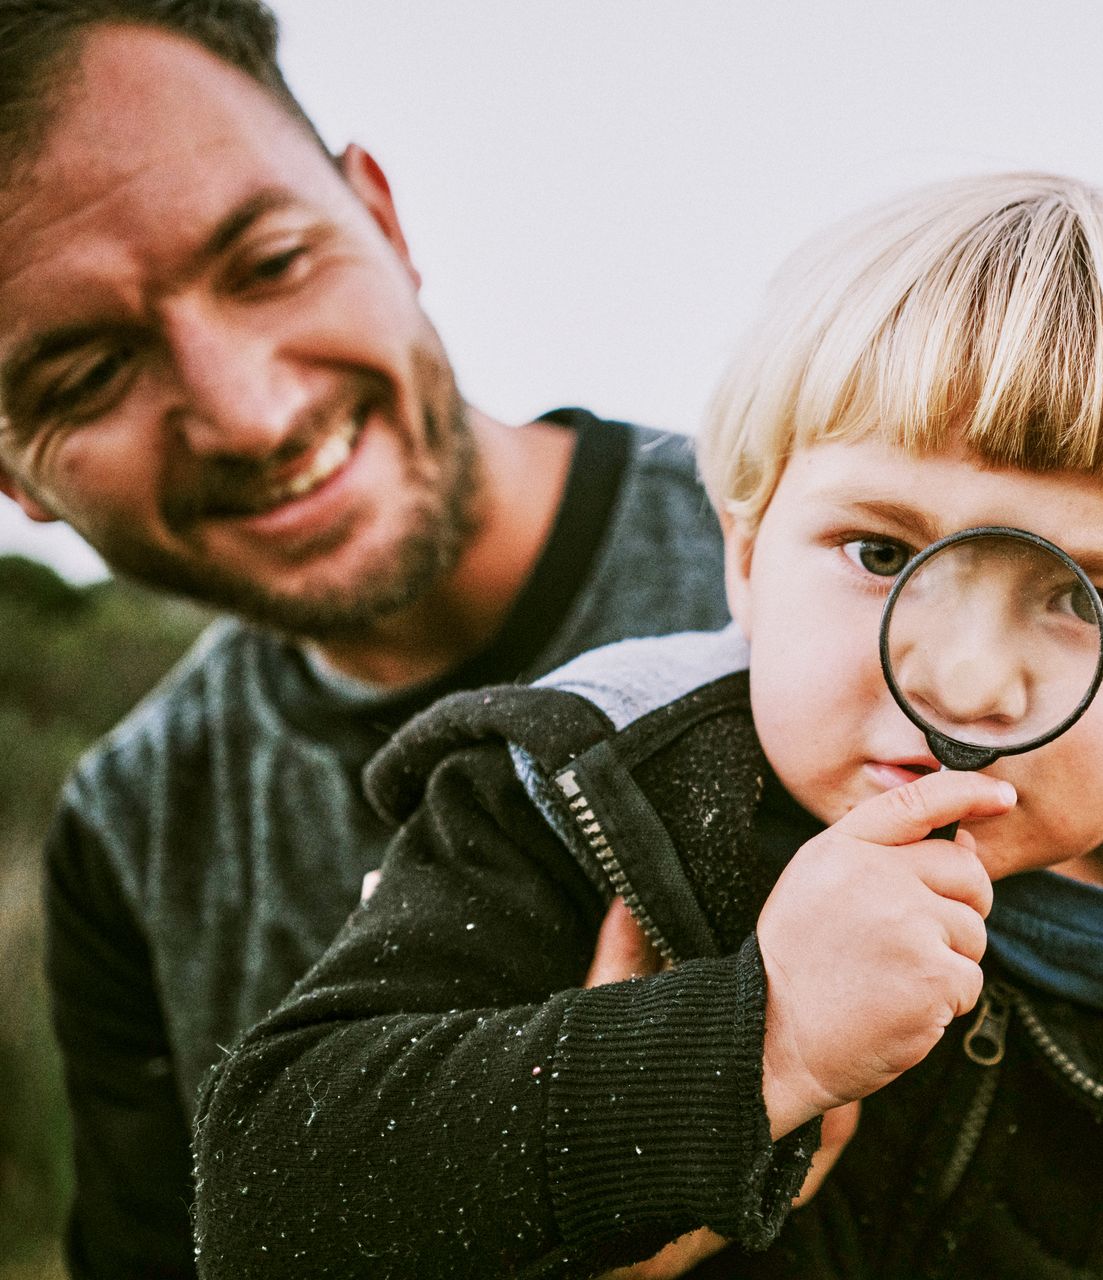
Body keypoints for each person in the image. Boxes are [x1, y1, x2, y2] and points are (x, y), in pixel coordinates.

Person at [195, 172, 1103, 1278]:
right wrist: (753, 1044)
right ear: (744, 553)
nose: (970, 684)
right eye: (881, 551)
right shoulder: (589, 795)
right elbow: (270, 1191)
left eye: (1095, 601)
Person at [0, 3, 731, 1275]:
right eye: (86, 375)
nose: (253, 411)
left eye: (270, 260)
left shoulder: (835, 583)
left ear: (383, 220)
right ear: (16, 476)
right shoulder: (128, 836)